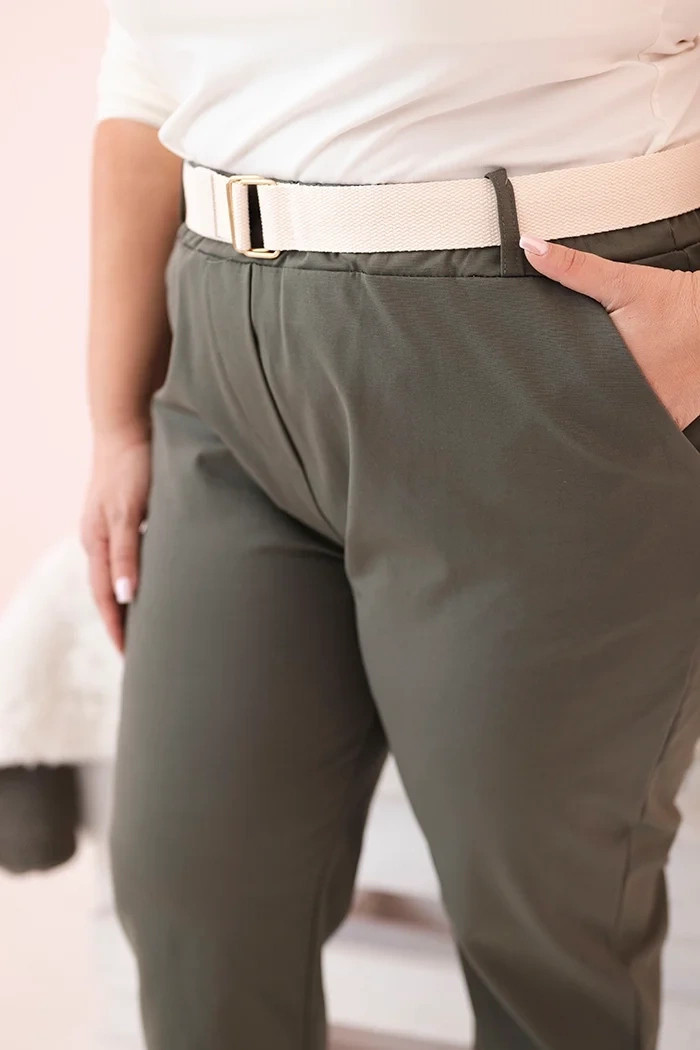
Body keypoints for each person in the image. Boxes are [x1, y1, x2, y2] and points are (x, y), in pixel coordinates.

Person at [81, 3, 700, 1048]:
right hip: (222, 367)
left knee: (546, 940)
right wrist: (114, 421)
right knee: (196, 900)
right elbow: (146, 73)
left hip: (535, 354)